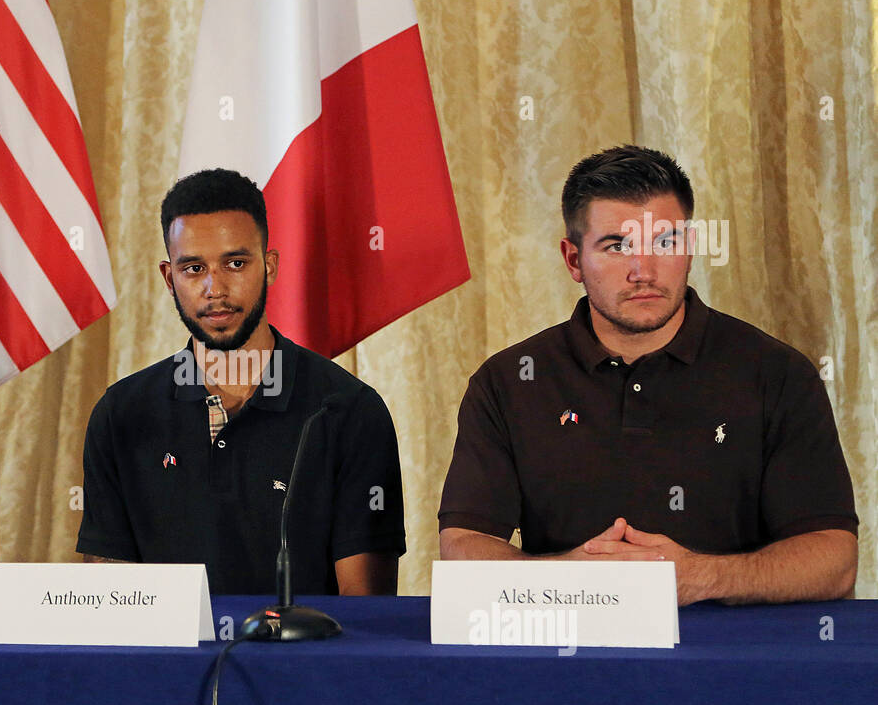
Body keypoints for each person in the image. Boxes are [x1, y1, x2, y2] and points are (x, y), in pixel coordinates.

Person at [438, 145, 858, 605]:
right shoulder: (508, 382)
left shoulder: (779, 375)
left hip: (736, 663)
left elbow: (834, 561)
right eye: (617, 246)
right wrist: (571, 580)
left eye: (665, 243)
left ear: (690, 250)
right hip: (565, 657)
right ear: (573, 260)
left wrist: (698, 578)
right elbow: (463, 547)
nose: (644, 271)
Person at [77, 169, 405, 595]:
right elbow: (110, 606)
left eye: (235, 263)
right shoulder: (120, 414)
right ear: (168, 278)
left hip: (301, 662)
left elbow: (364, 620)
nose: (215, 288)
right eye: (193, 268)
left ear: (269, 267)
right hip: (168, 664)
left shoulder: (348, 410)